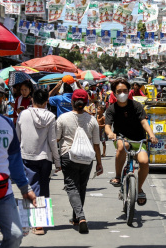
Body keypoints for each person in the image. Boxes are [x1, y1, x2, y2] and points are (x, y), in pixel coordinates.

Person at [0, 77, 37, 247]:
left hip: (4, 192)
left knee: (15, 236)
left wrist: (25, 188)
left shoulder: (6, 125)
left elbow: (14, 160)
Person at [105, 78, 158, 206]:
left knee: (144, 162)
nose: (122, 93)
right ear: (114, 93)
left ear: (129, 91)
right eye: (119, 91)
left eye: (124, 90)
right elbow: (107, 126)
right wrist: (110, 133)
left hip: (139, 139)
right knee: (124, 145)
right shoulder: (111, 109)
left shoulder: (137, 106)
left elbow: (144, 122)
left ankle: (139, 188)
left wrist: (151, 135)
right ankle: (118, 176)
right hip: (121, 139)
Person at [57, 89, 103, 234]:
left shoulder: (63, 118)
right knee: (81, 187)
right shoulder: (92, 120)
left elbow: (56, 139)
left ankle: (81, 217)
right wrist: (99, 163)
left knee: (71, 187)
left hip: (68, 156)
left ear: (72, 101)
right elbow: (96, 144)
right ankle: (76, 218)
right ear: (86, 103)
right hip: (86, 159)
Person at [16, 89, 61, 235]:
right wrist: (57, 161)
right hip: (45, 158)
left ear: (32, 99)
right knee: (43, 187)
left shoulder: (23, 114)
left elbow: (18, 136)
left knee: (31, 188)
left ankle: (34, 222)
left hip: (27, 155)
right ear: (46, 101)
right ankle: (39, 222)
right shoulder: (50, 116)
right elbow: (53, 141)